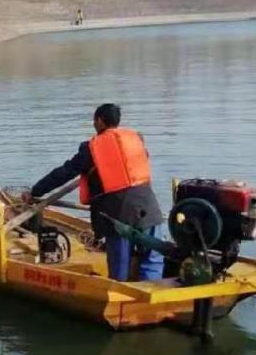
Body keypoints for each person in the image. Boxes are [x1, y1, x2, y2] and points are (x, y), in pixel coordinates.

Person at [22, 104, 164, 282]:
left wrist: (35, 191)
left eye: (94, 120)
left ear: (99, 121)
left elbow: (64, 173)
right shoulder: (135, 139)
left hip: (118, 213)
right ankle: (152, 292)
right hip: (149, 207)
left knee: (119, 267)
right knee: (153, 259)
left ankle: (120, 293)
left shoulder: (92, 148)